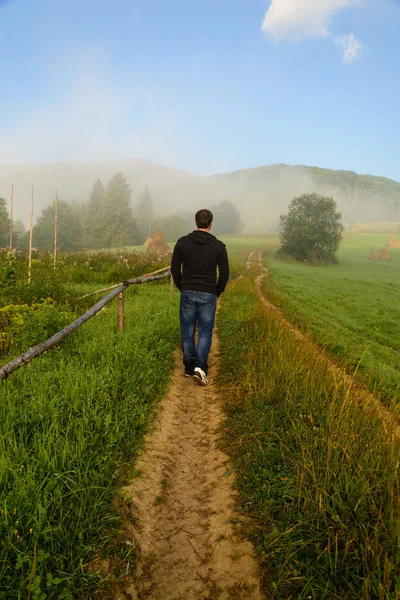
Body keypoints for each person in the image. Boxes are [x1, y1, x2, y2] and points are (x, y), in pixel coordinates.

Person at [171, 209, 229, 386]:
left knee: (187, 330)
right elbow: (225, 274)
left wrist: (183, 287)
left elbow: (175, 269)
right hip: (208, 293)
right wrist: (216, 291)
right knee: (205, 331)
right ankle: (200, 367)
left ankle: (189, 368)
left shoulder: (182, 243)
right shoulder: (219, 246)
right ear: (210, 223)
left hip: (187, 291)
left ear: (196, 222)